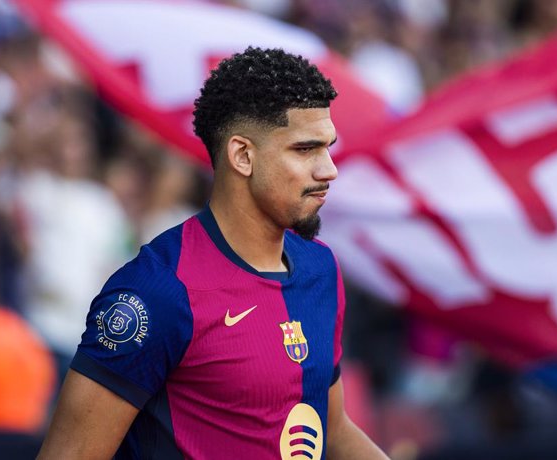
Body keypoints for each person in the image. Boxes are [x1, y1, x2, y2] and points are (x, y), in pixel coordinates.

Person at [37, 46, 389, 460]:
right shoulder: (157, 293)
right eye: (305, 149)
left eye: (327, 147)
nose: (328, 169)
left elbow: (334, 427)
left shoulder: (320, 267)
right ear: (243, 156)